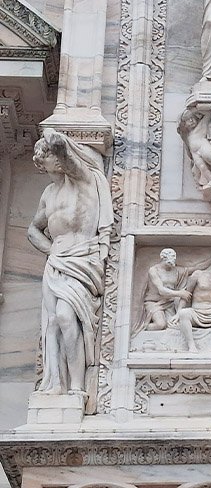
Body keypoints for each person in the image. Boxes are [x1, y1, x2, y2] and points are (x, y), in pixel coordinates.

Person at [27, 129, 113, 396]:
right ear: (44, 163)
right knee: (53, 323)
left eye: (55, 154)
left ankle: (77, 385)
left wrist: (54, 137)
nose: (56, 159)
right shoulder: (49, 194)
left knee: (66, 317)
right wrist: (51, 250)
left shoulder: (84, 180)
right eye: (49, 156)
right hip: (56, 262)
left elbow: (65, 153)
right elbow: (33, 230)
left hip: (81, 259)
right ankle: (57, 385)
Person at [133, 249, 211, 334]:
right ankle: (144, 328)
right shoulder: (154, 270)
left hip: (169, 303)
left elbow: (196, 267)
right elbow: (161, 290)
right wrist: (180, 293)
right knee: (160, 324)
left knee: (175, 325)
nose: (174, 259)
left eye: (175, 257)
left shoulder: (176, 270)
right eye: (172, 257)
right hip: (154, 302)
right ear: (163, 257)